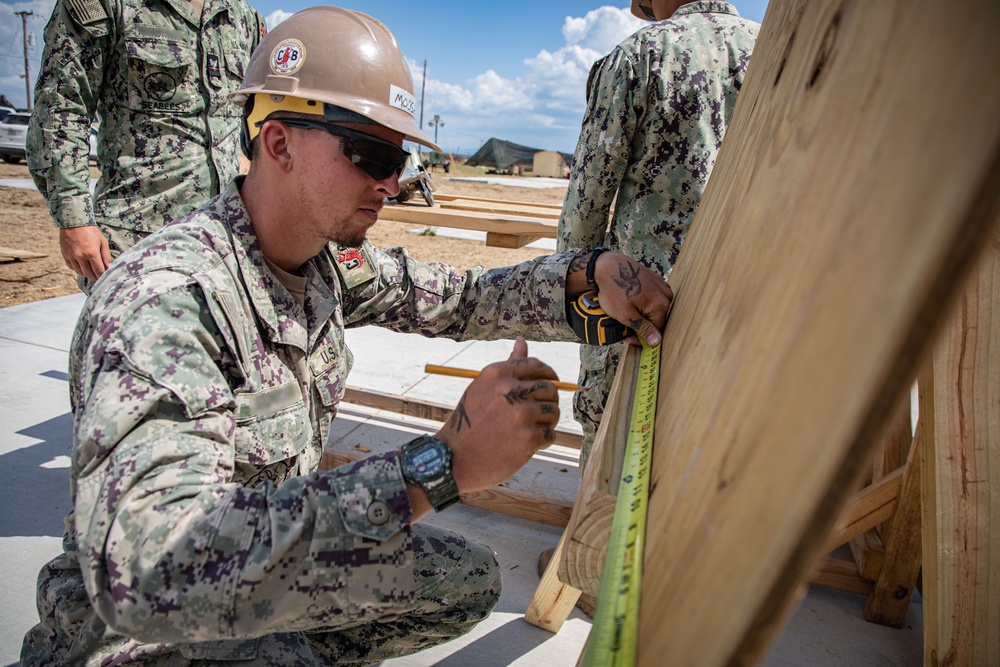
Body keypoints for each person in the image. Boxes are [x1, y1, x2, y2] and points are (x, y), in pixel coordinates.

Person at [20, 7, 674, 666]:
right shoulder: (167, 302)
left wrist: (585, 276)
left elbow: (461, 297)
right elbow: (149, 573)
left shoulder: (321, 262)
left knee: (462, 580)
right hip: (136, 632)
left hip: (256, 574)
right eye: (372, 155)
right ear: (278, 145)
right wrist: (437, 466)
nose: (392, 183)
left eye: (401, 157)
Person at [557, 0, 759, 468]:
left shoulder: (641, 56)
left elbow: (586, 204)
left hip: (642, 308)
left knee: (613, 445)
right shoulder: (773, 50)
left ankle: (594, 544)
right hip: (750, 305)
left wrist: (568, 289)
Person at [27, 0, 267, 291]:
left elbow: (257, 115)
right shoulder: (105, 5)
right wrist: (74, 220)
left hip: (225, 235)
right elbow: (62, 110)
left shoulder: (244, 18)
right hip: (138, 236)